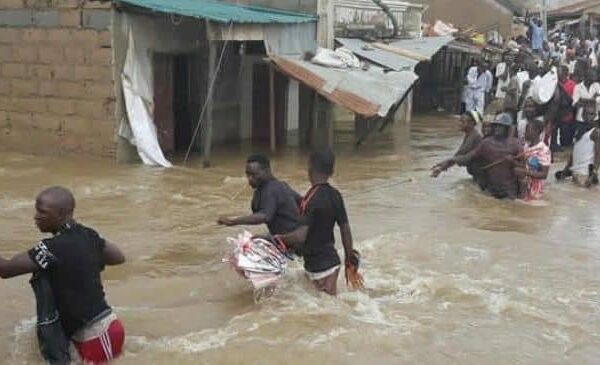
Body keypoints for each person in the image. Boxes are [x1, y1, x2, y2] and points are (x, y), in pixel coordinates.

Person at [0, 186, 126, 363]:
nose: (35, 216)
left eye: (42, 212)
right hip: (97, 329)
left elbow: (5, 270)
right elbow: (118, 257)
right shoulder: (88, 235)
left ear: (61, 213)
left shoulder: (53, 248)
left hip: (98, 334)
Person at [276, 150, 361, 296]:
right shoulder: (335, 195)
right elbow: (345, 229)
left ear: (310, 168)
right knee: (326, 307)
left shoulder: (310, 199)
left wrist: (276, 238)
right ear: (332, 171)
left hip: (320, 266)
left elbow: (300, 236)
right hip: (329, 263)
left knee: (326, 307)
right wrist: (349, 260)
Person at [438, 113, 523, 199]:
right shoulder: (486, 143)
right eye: (496, 126)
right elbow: (468, 157)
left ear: (507, 128)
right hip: (491, 188)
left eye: (501, 126)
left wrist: (513, 161)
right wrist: (450, 161)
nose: (497, 129)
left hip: (509, 189)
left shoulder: (516, 144)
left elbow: (524, 167)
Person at [217, 155, 302, 237]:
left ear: (267, 171)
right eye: (248, 175)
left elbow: (264, 216)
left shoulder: (272, 188)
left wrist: (233, 221)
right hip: (285, 237)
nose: (250, 179)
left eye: (254, 174)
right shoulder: (280, 186)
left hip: (291, 241)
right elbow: (303, 201)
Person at [431, 111, 486, 188]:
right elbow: (458, 156)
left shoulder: (474, 137)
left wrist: (442, 167)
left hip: (481, 176)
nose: (459, 124)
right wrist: (442, 167)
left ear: (471, 123)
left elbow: (461, 156)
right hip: (477, 175)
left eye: (463, 121)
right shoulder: (470, 135)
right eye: (460, 121)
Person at [557, 105, 600, 187]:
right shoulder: (578, 131)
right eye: (586, 114)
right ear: (583, 115)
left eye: (591, 114)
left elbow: (598, 154)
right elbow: (574, 152)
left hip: (585, 174)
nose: (588, 116)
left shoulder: (596, 132)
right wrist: (566, 170)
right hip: (575, 172)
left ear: (595, 116)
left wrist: (594, 172)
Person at [512, 119, 551, 200]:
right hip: (523, 187)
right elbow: (525, 165)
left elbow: (544, 174)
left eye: (527, 130)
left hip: (535, 190)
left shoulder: (543, 150)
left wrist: (524, 172)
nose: (525, 133)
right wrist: (512, 161)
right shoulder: (526, 146)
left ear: (536, 131)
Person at [557, 65, 577, 147]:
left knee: (566, 135)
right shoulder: (555, 83)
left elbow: (573, 100)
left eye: (560, 72)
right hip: (556, 113)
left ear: (566, 73)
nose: (558, 74)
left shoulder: (572, 84)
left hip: (567, 113)